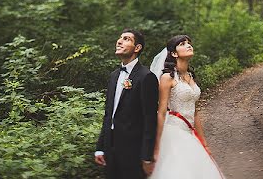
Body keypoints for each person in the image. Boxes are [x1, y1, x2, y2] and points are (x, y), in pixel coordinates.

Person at [150, 34, 225, 179]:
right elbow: (161, 113)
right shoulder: (167, 78)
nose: (188, 45)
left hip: (190, 134)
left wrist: (204, 143)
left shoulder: (191, 76)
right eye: (182, 44)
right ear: (173, 53)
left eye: (189, 43)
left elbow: (195, 112)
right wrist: (157, 146)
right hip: (174, 133)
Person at [95, 28, 159, 179]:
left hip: (133, 150)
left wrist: (147, 155)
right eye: (120, 38)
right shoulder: (114, 76)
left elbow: (150, 119)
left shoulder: (146, 77)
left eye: (126, 39)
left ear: (137, 48)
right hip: (110, 148)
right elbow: (108, 114)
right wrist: (100, 147)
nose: (119, 41)